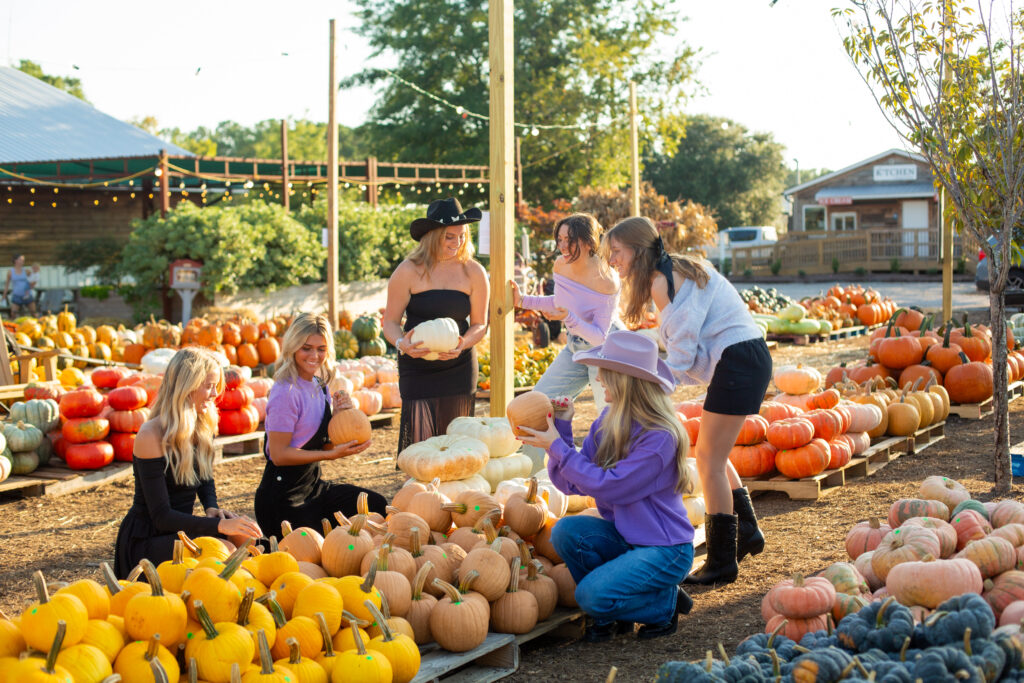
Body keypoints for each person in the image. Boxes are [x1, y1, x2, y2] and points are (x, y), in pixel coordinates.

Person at [604, 216, 772, 586]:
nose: (613, 260)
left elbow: (680, 356)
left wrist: (644, 395)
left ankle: (722, 562)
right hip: (745, 356)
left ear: (636, 249)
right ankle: (746, 531)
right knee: (712, 455)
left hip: (739, 359)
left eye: (616, 252)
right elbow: (682, 342)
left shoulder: (663, 281)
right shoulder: (672, 269)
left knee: (708, 460)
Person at [518, 331, 694, 641]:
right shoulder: (607, 422)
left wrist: (557, 446)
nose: (597, 378)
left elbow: (610, 487)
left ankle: (664, 604)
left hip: (665, 550)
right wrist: (562, 428)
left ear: (624, 381)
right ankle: (612, 613)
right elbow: (572, 484)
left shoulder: (660, 437)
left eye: (605, 372)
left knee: (589, 597)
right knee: (564, 532)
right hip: (628, 539)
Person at [114, 347, 261, 578]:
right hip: (149, 538)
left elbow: (204, 476)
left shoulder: (202, 424)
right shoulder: (151, 435)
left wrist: (211, 507)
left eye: (216, 386)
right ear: (186, 387)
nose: (215, 394)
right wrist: (219, 527)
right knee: (227, 552)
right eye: (209, 386)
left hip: (180, 531)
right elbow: (161, 516)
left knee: (249, 541)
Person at [255, 312, 387, 535]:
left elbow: (319, 441)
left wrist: (340, 418)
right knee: (315, 553)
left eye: (321, 349)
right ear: (292, 347)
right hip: (283, 500)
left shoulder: (319, 385)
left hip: (313, 488)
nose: (314, 355)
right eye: (306, 348)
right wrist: (331, 455)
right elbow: (279, 455)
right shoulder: (285, 392)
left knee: (377, 506)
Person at [382, 197, 489, 453]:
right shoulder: (407, 271)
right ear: (432, 236)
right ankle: (420, 494)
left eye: (462, 236)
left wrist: (463, 343)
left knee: (458, 447)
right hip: (417, 367)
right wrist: (401, 344)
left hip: (459, 367)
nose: (457, 243)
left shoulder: (474, 272)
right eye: (449, 237)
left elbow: (480, 325)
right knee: (421, 451)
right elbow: (390, 322)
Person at [510, 213, 620, 412]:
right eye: (559, 240)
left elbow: (600, 337)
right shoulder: (561, 265)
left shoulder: (607, 280)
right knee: (539, 405)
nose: (562, 246)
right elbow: (560, 303)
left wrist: (568, 317)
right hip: (575, 346)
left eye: (569, 241)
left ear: (588, 242)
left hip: (608, 353)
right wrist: (522, 300)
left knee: (610, 420)